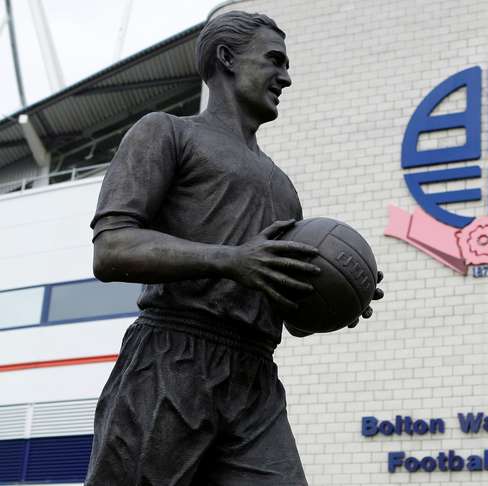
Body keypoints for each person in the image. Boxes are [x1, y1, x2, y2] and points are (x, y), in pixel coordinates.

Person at [85, 11, 382, 486]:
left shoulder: (283, 187)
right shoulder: (167, 132)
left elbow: (284, 308)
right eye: (274, 60)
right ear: (226, 58)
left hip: (255, 376)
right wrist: (232, 260)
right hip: (172, 358)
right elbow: (112, 248)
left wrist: (335, 299)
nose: (286, 77)